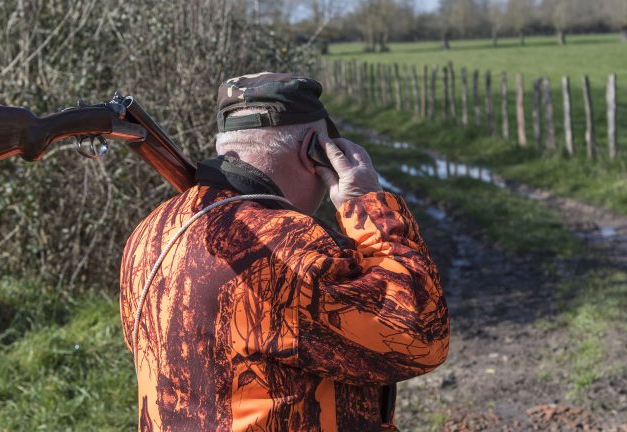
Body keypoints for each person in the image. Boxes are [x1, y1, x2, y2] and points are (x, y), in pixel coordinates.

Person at [120, 72, 449, 431]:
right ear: (316, 152)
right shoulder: (293, 246)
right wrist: (367, 204)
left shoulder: (151, 232)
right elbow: (419, 336)